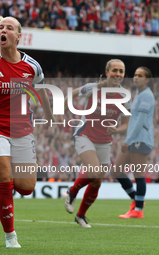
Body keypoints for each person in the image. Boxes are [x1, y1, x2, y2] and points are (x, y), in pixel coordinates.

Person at [0, 15, 54, 248]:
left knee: (26, 187)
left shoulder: (32, 66)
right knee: (4, 182)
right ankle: (10, 236)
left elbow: (42, 90)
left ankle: (8, 193)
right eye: (0, 27)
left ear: (18, 36)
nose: (3, 30)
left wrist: (50, 113)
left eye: (9, 28)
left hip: (23, 130)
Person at [64, 59, 131, 228]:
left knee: (97, 182)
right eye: (115, 70)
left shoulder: (125, 96)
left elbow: (125, 123)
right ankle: (72, 192)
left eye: (121, 71)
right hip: (85, 134)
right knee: (93, 171)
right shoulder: (93, 88)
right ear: (107, 72)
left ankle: (81, 216)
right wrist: (60, 112)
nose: (118, 74)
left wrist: (117, 130)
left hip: (105, 140)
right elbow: (71, 94)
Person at [114, 67, 155, 219]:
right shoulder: (139, 94)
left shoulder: (147, 96)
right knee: (116, 170)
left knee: (139, 175)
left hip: (141, 139)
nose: (136, 77)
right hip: (134, 139)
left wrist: (127, 140)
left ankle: (138, 209)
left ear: (147, 79)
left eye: (140, 75)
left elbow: (140, 122)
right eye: (135, 75)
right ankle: (135, 200)